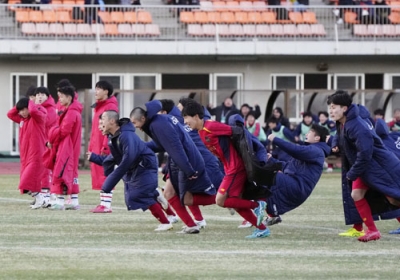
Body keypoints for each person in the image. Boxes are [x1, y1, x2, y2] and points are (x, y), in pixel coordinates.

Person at [182, 100, 270, 239]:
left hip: (235, 168)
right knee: (235, 201)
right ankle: (262, 229)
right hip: (229, 168)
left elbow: (239, 132)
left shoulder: (211, 126)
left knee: (220, 200)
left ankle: (257, 205)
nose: (185, 122)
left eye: (186, 118)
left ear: (196, 116)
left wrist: (255, 154)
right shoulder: (200, 132)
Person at [130, 100, 217, 234]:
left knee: (185, 198)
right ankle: (192, 224)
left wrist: (187, 169)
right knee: (170, 193)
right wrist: (141, 148)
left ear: (143, 118)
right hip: (183, 161)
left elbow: (176, 148)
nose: (135, 127)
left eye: (135, 123)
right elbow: (162, 145)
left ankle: (227, 199)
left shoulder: (158, 125)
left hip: (187, 161)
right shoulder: (160, 121)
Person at [328, 90, 400, 242]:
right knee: (357, 195)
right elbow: (340, 137)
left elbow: (365, 153)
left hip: (380, 166)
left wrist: (352, 172)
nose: (331, 110)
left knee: (393, 198)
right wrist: (335, 144)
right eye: (330, 107)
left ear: (345, 108)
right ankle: (373, 231)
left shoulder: (357, 126)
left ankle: (370, 230)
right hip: (366, 168)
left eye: (334, 107)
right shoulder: (343, 123)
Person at [88, 111, 172, 231]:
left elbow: (129, 158)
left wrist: (110, 182)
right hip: (135, 167)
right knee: (135, 196)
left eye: (103, 119)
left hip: (145, 164)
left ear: (112, 121)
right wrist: (94, 158)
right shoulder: (112, 138)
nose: (101, 123)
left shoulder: (125, 136)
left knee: (139, 194)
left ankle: (165, 223)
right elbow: (114, 158)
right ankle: (160, 200)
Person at [155, 99, 224, 229]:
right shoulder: (174, 123)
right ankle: (195, 222)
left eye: (182, 109)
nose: (181, 112)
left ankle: (228, 199)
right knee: (175, 193)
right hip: (180, 162)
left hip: (196, 161)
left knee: (182, 194)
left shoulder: (185, 123)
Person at [265, 124, 331, 225]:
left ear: (317, 138)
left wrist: (275, 139)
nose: (307, 133)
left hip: (297, 186)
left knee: (265, 177)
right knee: (265, 179)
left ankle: (251, 212)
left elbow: (294, 150)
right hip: (294, 184)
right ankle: (271, 215)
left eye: (310, 132)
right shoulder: (310, 150)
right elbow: (288, 166)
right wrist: (271, 160)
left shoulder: (316, 151)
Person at [44, 86, 82, 210]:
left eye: (61, 96)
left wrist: (52, 137)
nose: (59, 99)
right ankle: (74, 201)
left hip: (67, 148)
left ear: (69, 97)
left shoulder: (70, 112)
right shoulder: (73, 110)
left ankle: (59, 202)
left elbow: (63, 131)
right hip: (72, 147)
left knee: (60, 171)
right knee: (72, 173)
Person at [7, 97, 47, 209]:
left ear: (29, 107)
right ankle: (40, 200)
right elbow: (10, 114)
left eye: (23, 109)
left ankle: (41, 199)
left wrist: (30, 102)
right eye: (19, 110)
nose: (21, 112)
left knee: (26, 182)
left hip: (36, 154)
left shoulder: (37, 118)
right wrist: (20, 104)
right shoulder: (22, 120)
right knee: (26, 185)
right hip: (26, 156)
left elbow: (34, 111)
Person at [88, 80, 119, 213]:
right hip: (97, 145)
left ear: (106, 91)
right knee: (99, 174)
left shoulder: (110, 107)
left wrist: (106, 146)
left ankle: (106, 204)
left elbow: (111, 129)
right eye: (95, 89)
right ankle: (103, 203)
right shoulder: (99, 107)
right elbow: (96, 129)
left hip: (104, 146)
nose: (96, 91)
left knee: (106, 173)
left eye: (99, 89)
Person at [35, 86, 57, 206]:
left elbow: (44, 121)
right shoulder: (39, 108)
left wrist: (37, 107)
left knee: (47, 169)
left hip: (49, 142)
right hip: (40, 142)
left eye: (42, 94)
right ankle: (44, 196)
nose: (39, 96)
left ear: (47, 96)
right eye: (37, 94)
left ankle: (49, 195)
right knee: (42, 169)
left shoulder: (51, 109)